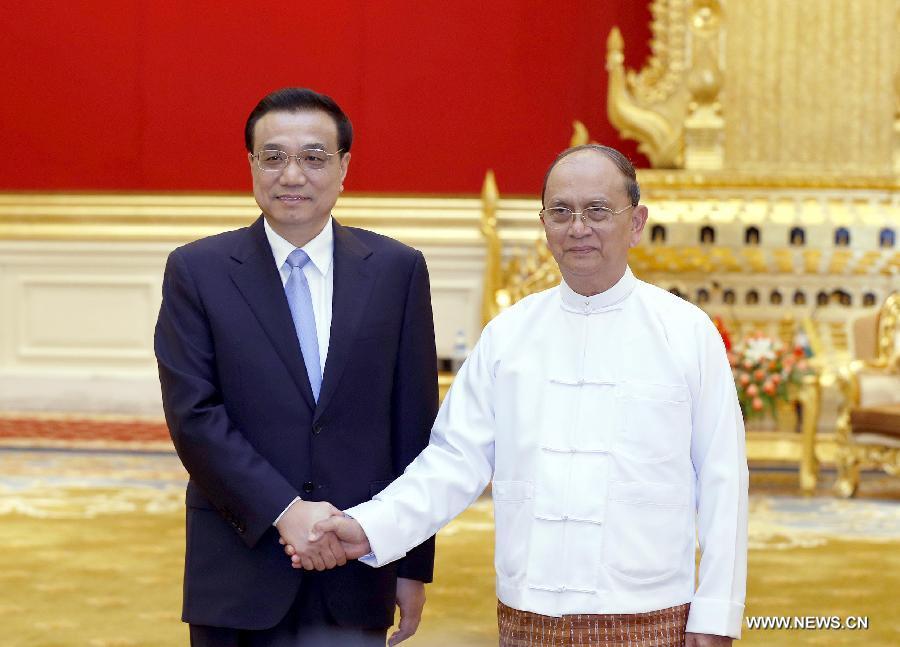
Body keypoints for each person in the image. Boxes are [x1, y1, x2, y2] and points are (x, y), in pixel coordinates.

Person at [296, 145, 748, 647]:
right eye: (560, 212)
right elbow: (452, 461)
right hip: (530, 614)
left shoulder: (685, 332)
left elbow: (723, 481)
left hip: (650, 613)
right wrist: (368, 528)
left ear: (636, 222)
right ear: (544, 225)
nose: (578, 228)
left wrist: (716, 616)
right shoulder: (509, 334)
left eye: (598, 210)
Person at [154, 87, 438, 647]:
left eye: (313, 157)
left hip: (356, 567)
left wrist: (409, 562)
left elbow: (414, 429)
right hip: (239, 567)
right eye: (273, 156)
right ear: (251, 165)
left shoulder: (398, 271)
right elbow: (195, 417)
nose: (292, 175)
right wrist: (285, 511)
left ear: (343, 168)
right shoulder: (197, 271)